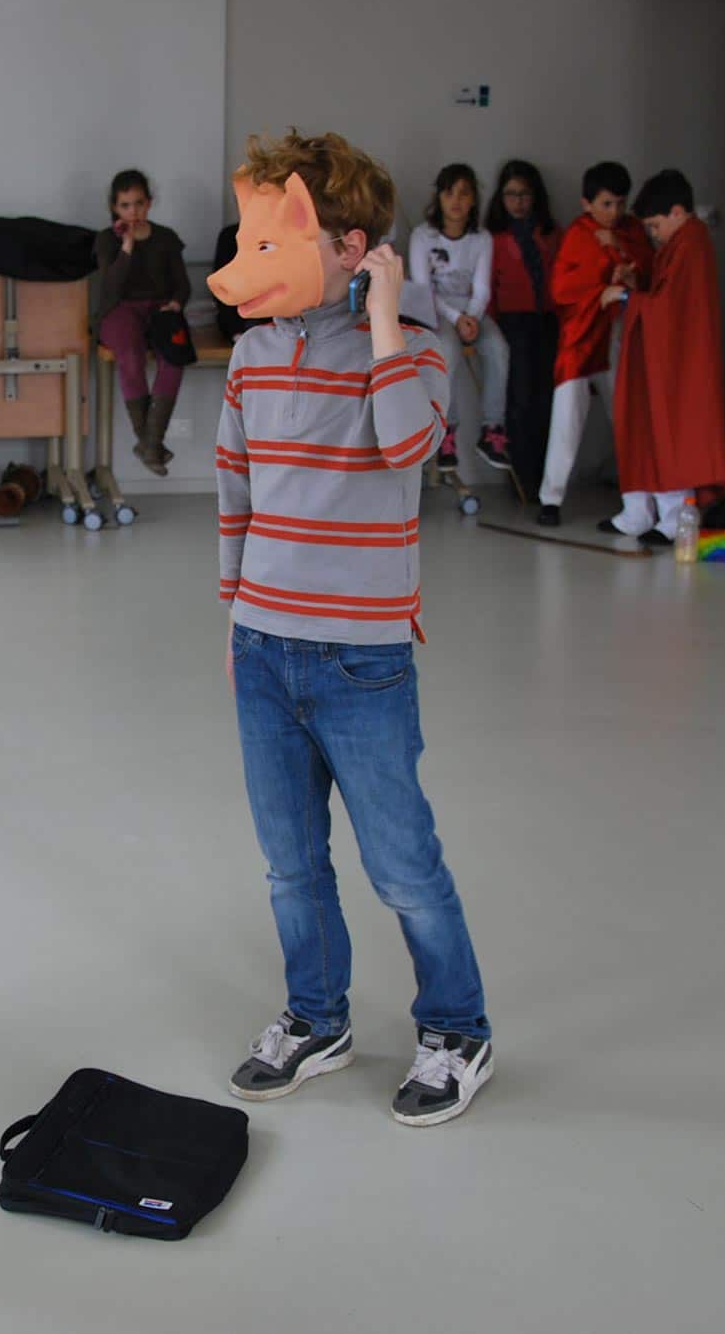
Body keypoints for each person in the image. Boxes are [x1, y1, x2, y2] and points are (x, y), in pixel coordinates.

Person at [208, 131, 493, 1128]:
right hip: (262, 648)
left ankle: (457, 1028)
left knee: (401, 864)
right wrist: (233, 607)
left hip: (360, 657)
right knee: (289, 861)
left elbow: (407, 443)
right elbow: (234, 485)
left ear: (350, 244)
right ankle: (316, 1016)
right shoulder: (249, 351)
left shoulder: (411, 347)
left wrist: (381, 311)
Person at [604, 168, 725, 541]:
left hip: (679, 360)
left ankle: (675, 517)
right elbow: (665, 296)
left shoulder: (692, 244)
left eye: (655, 225)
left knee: (669, 429)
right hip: (666, 355)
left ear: (678, 212)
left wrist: (628, 297)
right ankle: (646, 513)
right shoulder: (681, 244)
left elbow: (673, 307)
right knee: (649, 426)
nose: (653, 234)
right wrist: (637, 286)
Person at [537, 161, 653, 525]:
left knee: (626, 418)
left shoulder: (632, 230)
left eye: (620, 203)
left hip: (619, 340)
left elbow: (650, 272)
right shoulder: (578, 234)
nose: (614, 211)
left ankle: (640, 502)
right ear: (587, 203)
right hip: (582, 341)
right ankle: (550, 499)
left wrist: (624, 265)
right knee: (566, 420)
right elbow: (561, 290)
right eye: (606, 204)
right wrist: (602, 286)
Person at [409, 163, 510, 471]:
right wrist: (456, 319)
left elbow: (482, 287)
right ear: (438, 197)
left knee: (498, 349)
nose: (456, 201)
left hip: (471, 309)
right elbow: (423, 288)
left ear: (473, 200)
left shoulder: (481, 239)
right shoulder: (423, 236)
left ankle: (492, 429)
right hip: (437, 309)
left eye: (464, 193)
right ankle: (446, 432)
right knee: (447, 352)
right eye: (449, 192)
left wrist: (472, 317)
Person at [94, 169, 192, 476]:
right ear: (115, 207)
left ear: (149, 204)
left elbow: (182, 284)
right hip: (119, 310)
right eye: (125, 205)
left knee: (174, 358)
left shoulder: (166, 238)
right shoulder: (106, 240)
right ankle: (151, 445)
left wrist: (176, 302)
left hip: (159, 310)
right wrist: (127, 246)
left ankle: (150, 444)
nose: (133, 212)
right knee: (131, 356)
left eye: (138, 203)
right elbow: (110, 287)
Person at [485, 160, 562, 499]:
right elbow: (488, 288)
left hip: (547, 320)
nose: (518, 202)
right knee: (519, 399)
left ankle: (548, 476)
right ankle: (523, 479)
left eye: (525, 195)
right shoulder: (494, 238)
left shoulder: (550, 234)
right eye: (511, 194)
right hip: (511, 324)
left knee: (547, 400)